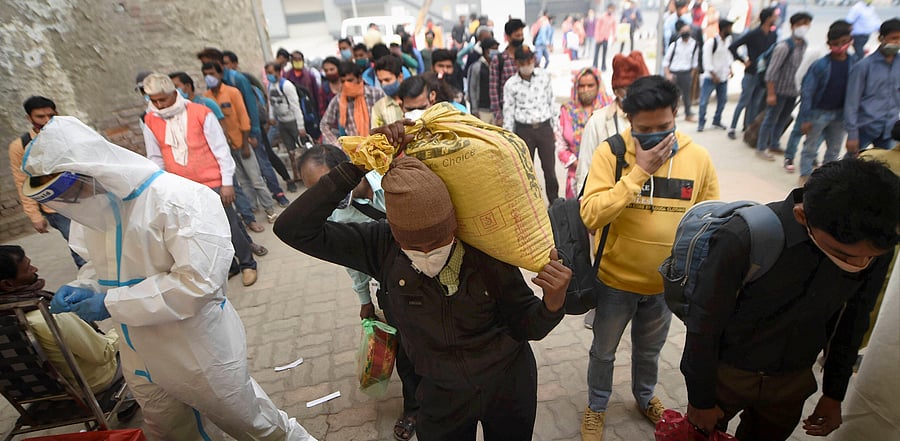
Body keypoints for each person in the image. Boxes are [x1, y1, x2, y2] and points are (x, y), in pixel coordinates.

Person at [21, 116, 316, 441]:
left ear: (90, 166)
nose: (72, 200)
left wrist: (109, 303)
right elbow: (101, 266)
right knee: (170, 433)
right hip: (139, 355)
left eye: (68, 187)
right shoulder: (95, 207)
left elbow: (198, 284)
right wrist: (84, 287)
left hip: (196, 351)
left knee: (258, 427)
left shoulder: (179, 200)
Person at [273, 126, 571, 440]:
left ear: (455, 223)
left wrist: (552, 303)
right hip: (441, 397)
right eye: (416, 248)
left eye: (440, 241)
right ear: (395, 233)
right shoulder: (379, 246)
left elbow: (530, 327)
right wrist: (357, 165)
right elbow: (292, 229)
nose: (430, 254)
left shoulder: (485, 248)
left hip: (509, 386)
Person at [681, 158, 898, 441]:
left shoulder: (871, 247)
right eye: (843, 255)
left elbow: (852, 322)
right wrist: (700, 398)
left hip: (792, 381)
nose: (859, 263)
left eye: (869, 257)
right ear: (802, 217)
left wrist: (833, 394)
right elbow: (704, 322)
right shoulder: (743, 238)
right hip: (728, 374)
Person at [579, 75, 720, 441]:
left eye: (665, 127)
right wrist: (639, 172)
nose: (657, 136)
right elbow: (591, 214)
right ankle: (596, 405)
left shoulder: (698, 158)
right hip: (614, 282)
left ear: (676, 114)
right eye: (645, 129)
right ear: (629, 121)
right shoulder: (612, 153)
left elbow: (711, 221)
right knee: (603, 352)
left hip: (664, 286)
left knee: (650, 351)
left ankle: (644, 397)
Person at [297, 144, 421, 441]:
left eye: (326, 187)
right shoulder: (337, 218)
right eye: (313, 192)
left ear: (349, 172)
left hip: (426, 271)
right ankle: (414, 406)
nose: (323, 198)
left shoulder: (390, 179)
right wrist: (365, 299)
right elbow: (353, 265)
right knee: (403, 348)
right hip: (388, 287)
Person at [142, 73, 259, 287]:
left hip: (212, 183)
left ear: (174, 94)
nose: (158, 105)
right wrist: (160, 189)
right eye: (154, 101)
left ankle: (247, 264)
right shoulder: (150, 120)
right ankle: (229, 267)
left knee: (229, 226)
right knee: (201, 233)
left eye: (162, 100)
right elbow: (155, 157)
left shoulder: (200, 113)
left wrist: (226, 183)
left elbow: (221, 149)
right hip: (180, 188)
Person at [169, 72, 270, 251]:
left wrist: (226, 166)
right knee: (217, 221)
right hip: (195, 180)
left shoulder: (205, 105)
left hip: (219, 166)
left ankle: (251, 228)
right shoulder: (169, 115)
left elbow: (221, 130)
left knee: (236, 200)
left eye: (177, 86)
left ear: (188, 85)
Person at [0, 245, 119, 394]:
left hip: (41, 393)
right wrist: (120, 326)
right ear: (7, 284)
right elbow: (103, 353)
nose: (35, 269)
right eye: (28, 268)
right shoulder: (48, 316)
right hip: (91, 385)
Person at [197, 48, 292, 206]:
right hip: (232, 138)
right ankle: (253, 205)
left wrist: (253, 133)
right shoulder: (208, 94)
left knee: (262, 163)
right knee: (244, 176)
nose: (207, 70)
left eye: (208, 63)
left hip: (250, 130)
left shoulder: (236, 79)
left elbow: (249, 107)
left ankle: (278, 194)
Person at [8, 96, 85, 269]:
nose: (47, 121)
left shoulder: (70, 135)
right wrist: (34, 216)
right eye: (40, 117)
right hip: (56, 207)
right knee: (79, 247)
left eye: (50, 115)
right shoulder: (20, 146)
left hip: (85, 197)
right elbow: (22, 182)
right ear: (29, 118)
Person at [202, 62, 279, 226]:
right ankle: (252, 208)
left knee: (256, 179)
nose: (209, 77)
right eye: (205, 74)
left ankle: (270, 209)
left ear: (220, 74)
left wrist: (246, 143)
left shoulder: (233, 92)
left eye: (211, 73)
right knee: (242, 182)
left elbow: (244, 118)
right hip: (225, 149)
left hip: (240, 142)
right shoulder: (206, 98)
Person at [576, 51, 650, 196]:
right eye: (629, 90)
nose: (636, 95)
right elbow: (584, 170)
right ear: (616, 91)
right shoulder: (597, 122)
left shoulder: (655, 122)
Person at [797, 20, 857, 185]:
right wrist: (806, 118)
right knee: (811, 146)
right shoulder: (820, 65)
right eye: (836, 44)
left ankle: (827, 178)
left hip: (840, 114)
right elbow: (807, 92)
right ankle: (806, 176)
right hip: (819, 112)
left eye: (844, 42)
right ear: (829, 44)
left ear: (850, 41)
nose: (841, 47)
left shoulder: (854, 63)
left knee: (834, 149)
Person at [503, 46, 560, 203]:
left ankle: (554, 203)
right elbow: (508, 112)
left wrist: (555, 129)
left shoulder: (543, 77)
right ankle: (531, 204)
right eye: (524, 62)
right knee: (526, 171)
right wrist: (510, 139)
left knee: (549, 170)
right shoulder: (511, 85)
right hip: (524, 131)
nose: (528, 64)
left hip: (544, 128)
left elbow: (551, 103)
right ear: (517, 63)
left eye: (530, 60)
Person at [756, 12, 812, 162]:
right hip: (779, 91)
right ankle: (761, 147)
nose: (804, 27)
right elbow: (771, 72)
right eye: (800, 24)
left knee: (783, 119)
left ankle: (774, 143)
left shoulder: (805, 45)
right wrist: (771, 93)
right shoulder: (784, 47)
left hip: (793, 91)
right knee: (770, 119)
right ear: (792, 26)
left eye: (806, 24)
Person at [844, 18, 900, 156]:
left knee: (886, 169)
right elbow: (852, 103)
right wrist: (852, 134)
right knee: (850, 166)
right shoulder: (863, 67)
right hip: (865, 127)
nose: (897, 42)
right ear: (881, 38)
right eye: (893, 38)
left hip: (889, 128)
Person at [558, 68, 614, 199]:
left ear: (598, 85)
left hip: (606, 175)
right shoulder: (567, 110)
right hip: (576, 176)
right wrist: (579, 164)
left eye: (590, 85)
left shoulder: (609, 109)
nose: (585, 90)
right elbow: (560, 146)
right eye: (582, 86)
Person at [727, 7, 778, 140]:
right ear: (767, 19)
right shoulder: (754, 34)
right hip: (751, 73)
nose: (776, 19)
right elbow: (733, 46)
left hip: (763, 75)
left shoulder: (773, 35)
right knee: (744, 101)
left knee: (755, 103)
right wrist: (743, 60)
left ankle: (749, 127)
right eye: (774, 16)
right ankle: (732, 128)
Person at [319, 61, 385, 145]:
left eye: (350, 80)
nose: (346, 85)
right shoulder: (338, 100)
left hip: (377, 145)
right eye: (343, 81)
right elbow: (324, 124)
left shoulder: (376, 94)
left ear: (359, 78)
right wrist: (337, 144)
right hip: (353, 151)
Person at [265, 62, 307, 187]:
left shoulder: (287, 86)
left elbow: (295, 105)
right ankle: (296, 175)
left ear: (278, 72)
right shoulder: (270, 87)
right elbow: (271, 103)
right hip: (281, 122)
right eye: (267, 73)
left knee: (302, 150)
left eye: (271, 73)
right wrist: (271, 117)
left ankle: (306, 173)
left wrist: (301, 126)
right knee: (291, 151)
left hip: (292, 121)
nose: (269, 76)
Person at [697, 19, 734, 132]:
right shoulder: (711, 43)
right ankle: (701, 122)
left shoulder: (728, 41)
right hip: (711, 77)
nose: (730, 30)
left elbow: (728, 57)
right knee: (704, 101)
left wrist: (730, 68)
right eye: (729, 28)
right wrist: (713, 75)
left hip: (722, 77)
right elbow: (706, 61)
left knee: (722, 100)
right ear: (723, 29)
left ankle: (716, 120)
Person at [490, 18, 526, 126]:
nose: (520, 38)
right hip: (507, 113)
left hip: (527, 112)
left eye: (521, 35)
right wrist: (498, 115)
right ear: (508, 37)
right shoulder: (499, 60)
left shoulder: (528, 57)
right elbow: (493, 90)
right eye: (517, 36)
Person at [662, 21, 700, 123]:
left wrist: (691, 75)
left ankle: (688, 114)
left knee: (687, 95)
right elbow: (666, 61)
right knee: (672, 96)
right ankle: (670, 115)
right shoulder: (674, 45)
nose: (685, 33)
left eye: (687, 31)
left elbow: (695, 63)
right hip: (674, 73)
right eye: (683, 31)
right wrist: (668, 74)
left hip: (686, 73)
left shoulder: (694, 45)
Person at [467, 38, 500, 124]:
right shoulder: (476, 67)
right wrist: (474, 110)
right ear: (486, 50)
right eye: (494, 49)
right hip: (481, 110)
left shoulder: (498, 65)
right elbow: (472, 88)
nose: (496, 52)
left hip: (496, 111)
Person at [371, 55, 406, 127]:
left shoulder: (414, 99)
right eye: (380, 81)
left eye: (387, 80)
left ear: (400, 77)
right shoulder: (378, 107)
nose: (383, 85)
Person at [593, 4, 617, 71]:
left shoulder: (613, 18)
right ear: (607, 9)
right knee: (596, 52)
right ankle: (595, 65)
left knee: (604, 53)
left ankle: (603, 66)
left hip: (606, 38)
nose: (610, 10)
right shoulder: (602, 16)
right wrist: (597, 36)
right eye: (609, 8)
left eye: (612, 9)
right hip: (599, 37)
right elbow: (597, 27)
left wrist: (614, 36)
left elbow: (614, 28)